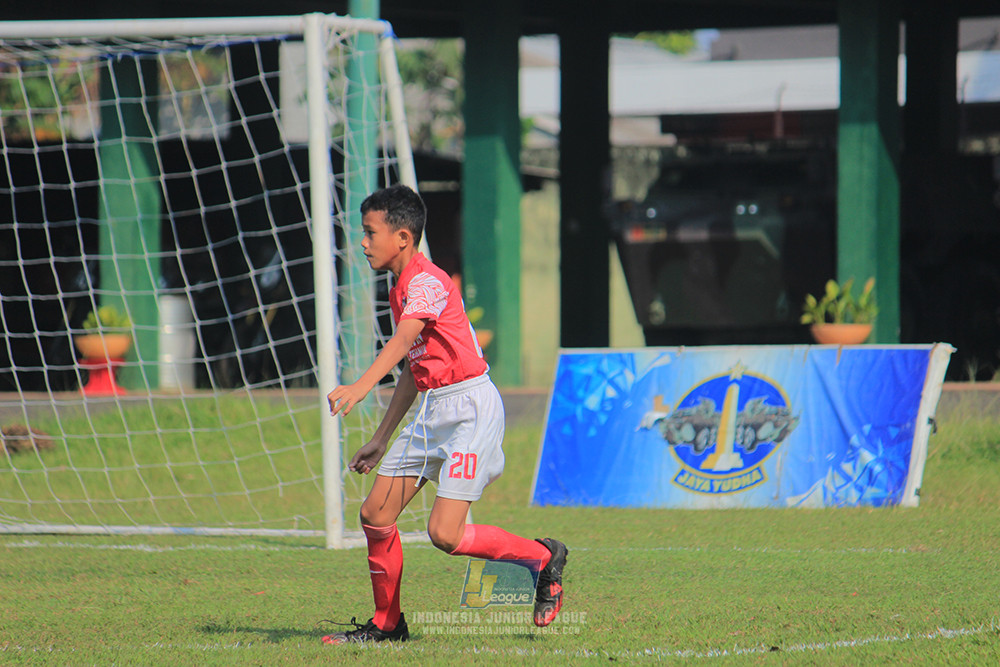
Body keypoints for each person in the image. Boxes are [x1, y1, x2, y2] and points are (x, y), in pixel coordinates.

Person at [322, 184, 567, 645]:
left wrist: (359, 386)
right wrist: (380, 437)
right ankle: (387, 625)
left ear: (402, 237)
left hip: (470, 409)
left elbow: (398, 344)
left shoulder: (428, 281)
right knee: (375, 514)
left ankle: (542, 557)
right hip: (433, 408)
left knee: (445, 534)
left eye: (369, 232)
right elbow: (414, 371)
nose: (362, 242)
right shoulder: (400, 290)